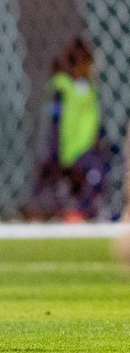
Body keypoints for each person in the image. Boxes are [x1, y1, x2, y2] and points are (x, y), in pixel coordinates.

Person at [26, 38, 112, 221]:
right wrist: (55, 153)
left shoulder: (90, 90)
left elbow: (93, 122)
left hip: (86, 149)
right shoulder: (62, 89)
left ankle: (83, 212)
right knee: (55, 179)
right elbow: (54, 124)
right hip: (68, 151)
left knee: (101, 168)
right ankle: (74, 213)